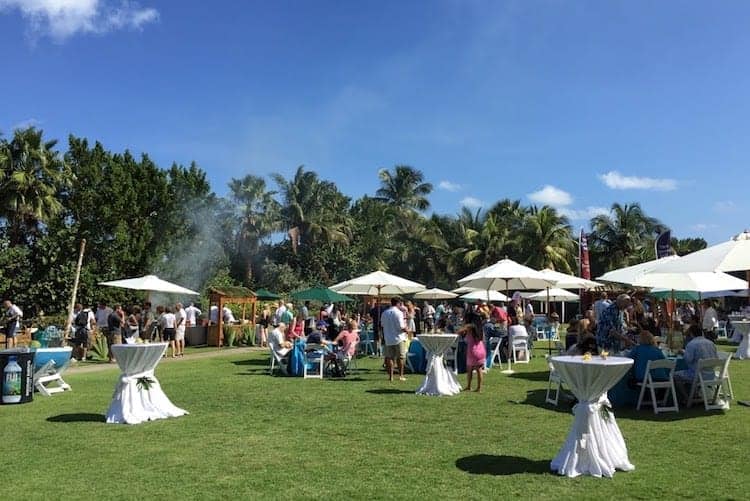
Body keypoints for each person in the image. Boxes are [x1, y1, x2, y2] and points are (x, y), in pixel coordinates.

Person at [675, 325, 718, 393]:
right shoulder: (711, 343)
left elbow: (688, 360)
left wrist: (683, 353)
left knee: (675, 375)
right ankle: (694, 392)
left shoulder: (692, 344)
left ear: (691, 333)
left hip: (696, 375)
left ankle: (685, 397)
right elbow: (716, 359)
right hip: (711, 374)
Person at [381, 297, 408, 382]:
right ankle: (401, 375)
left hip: (388, 338)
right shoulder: (399, 313)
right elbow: (400, 327)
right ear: (398, 303)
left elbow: (382, 325)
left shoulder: (384, 313)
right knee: (400, 357)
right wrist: (407, 330)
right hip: (398, 338)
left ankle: (391, 376)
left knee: (390, 358)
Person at [457, 323, 485, 392]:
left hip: (473, 351)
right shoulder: (478, 331)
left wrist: (463, 328)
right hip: (480, 350)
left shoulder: (470, 328)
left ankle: (473, 387)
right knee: (477, 370)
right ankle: (476, 387)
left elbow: (459, 332)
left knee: (472, 370)